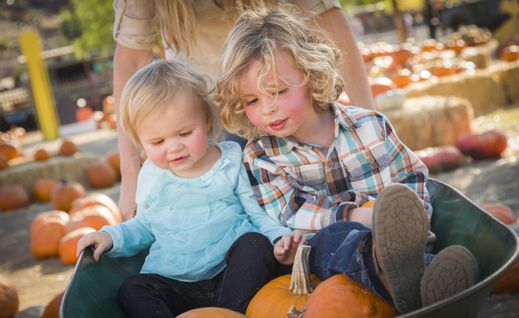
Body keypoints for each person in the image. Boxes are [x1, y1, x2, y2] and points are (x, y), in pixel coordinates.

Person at [215, 8, 479, 314]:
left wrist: (408, 217)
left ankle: (425, 276)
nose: (267, 109)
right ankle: (401, 281)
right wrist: (355, 217)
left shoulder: (371, 126)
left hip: (401, 245)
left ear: (311, 76)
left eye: (278, 91)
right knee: (332, 238)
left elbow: (412, 182)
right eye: (252, 101)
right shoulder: (261, 157)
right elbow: (288, 216)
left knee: (419, 250)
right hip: (326, 264)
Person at [76, 60, 305, 318]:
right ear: (140, 142)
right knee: (133, 289)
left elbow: (255, 213)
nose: (173, 147)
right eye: (157, 142)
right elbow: (146, 225)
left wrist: (280, 239)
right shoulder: (152, 175)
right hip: (176, 285)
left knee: (254, 244)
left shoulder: (231, 160)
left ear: (208, 121)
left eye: (184, 133)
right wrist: (110, 237)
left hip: (231, 279)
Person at [112, 0, 376, 220]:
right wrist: (131, 177)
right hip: (209, 110)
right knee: (234, 203)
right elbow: (132, 57)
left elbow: (325, 17)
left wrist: (367, 125)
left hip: (281, 77)